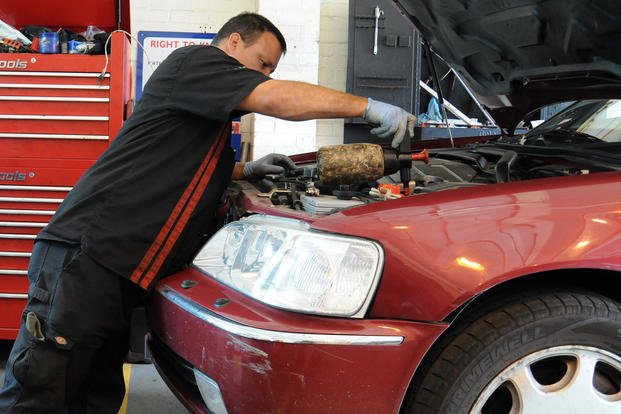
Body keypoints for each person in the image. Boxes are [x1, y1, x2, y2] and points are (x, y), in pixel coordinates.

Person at [0, 12, 416, 413]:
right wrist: (367, 107)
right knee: (39, 389)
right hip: (84, 257)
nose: (264, 76)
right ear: (234, 41)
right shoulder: (197, 62)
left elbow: (179, 162)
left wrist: (245, 169)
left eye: (269, 69)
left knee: (93, 394)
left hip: (117, 270)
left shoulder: (205, 109)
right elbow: (276, 98)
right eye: (262, 62)